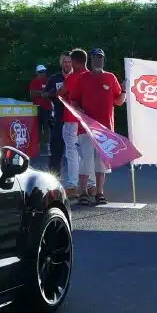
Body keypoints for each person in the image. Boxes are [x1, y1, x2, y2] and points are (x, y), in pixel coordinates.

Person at [68, 48, 125, 205]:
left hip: (105, 129)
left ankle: (99, 192)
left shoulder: (110, 77)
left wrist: (125, 89)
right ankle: (83, 192)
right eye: (95, 58)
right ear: (91, 60)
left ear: (103, 60)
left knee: (101, 162)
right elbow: (74, 101)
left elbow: (118, 101)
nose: (97, 61)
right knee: (86, 160)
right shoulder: (83, 78)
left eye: (100, 58)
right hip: (86, 127)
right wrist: (81, 112)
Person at [57, 49, 90, 199]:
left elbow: (60, 93)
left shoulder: (73, 77)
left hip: (72, 119)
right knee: (88, 154)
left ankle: (73, 185)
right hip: (87, 121)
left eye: (71, 61)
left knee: (72, 153)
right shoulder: (92, 77)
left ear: (76, 62)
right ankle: (91, 185)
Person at [41, 52, 72, 175]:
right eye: (65, 62)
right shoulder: (54, 79)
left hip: (75, 119)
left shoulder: (78, 77)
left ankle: (79, 184)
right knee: (56, 151)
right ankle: (54, 180)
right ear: (61, 63)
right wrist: (54, 93)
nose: (67, 64)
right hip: (59, 118)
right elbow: (44, 94)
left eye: (69, 62)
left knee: (76, 152)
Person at [28, 64, 53, 153]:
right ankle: (37, 146)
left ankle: (46, 146)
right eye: (40, 72)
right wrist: (43, 93)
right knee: (37, 127)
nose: (43, 74)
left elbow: (51, 93)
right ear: (37, 73)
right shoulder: (34, 82)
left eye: (44, 72)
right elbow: (32, 94)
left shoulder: (49, 81)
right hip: (37, 108)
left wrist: (39, 93)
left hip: (47, 107)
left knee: (46, 127)